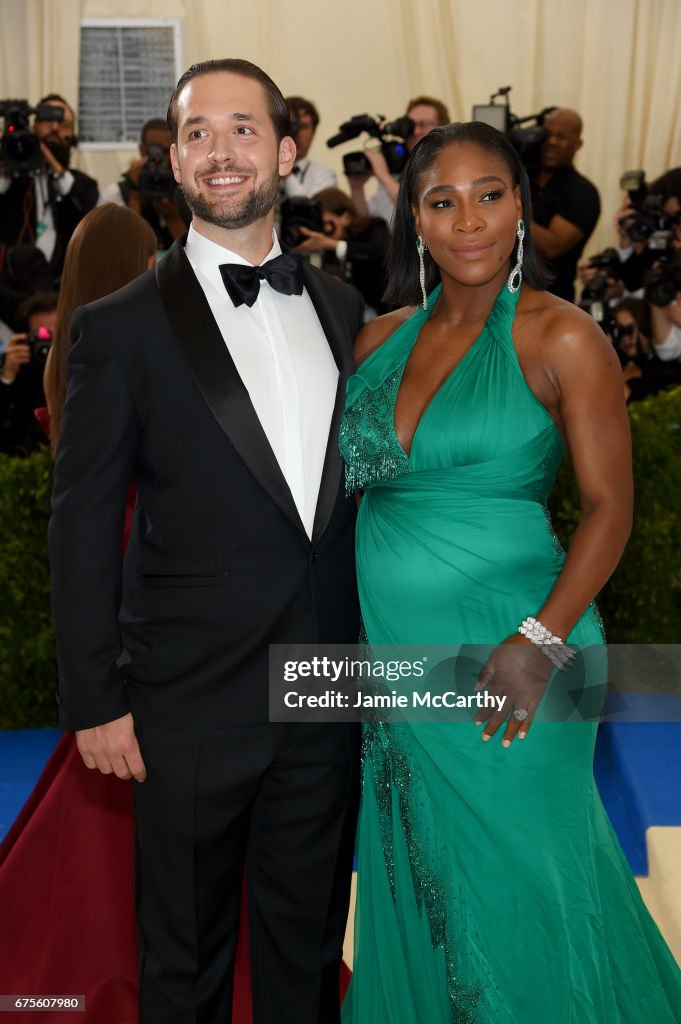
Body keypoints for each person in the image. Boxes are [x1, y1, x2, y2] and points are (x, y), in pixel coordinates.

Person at [339, 121, 681, 1022]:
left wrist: (539, 638)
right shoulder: (374, 344)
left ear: (521, 206)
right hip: (400, 668)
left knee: (532, 884)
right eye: (442, 201)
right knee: (425, 885)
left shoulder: (561, 337)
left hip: (526, 647)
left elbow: (609, 508)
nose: (468, 220)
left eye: (489, 195)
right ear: (414, 218)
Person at [49, 58, 363, 1024]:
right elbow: (83, 520)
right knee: (181, 966)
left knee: (306, 955)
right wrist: (94, 696)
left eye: (241, 128)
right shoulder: (119, 328)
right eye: (197, 133)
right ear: (174, 160)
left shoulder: (345, 311)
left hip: (327, 689)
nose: (220, 151)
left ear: (286, 148)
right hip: (184, 703)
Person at [0, 94, 98, 280]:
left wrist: (54, 165)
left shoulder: (83, 185)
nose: (54, 128)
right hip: (9, 287)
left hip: (60, 286)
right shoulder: (9, 180)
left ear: (72, 137)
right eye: (47, 122)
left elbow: (88, 221)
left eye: (63, 124)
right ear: (33, 128)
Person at [529, 108, 600, 301]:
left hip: (552, 300)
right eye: (548, 134)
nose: (552, 142)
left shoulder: (582, 192)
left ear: (578, 144)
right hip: (502, 297)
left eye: (561, 137)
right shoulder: (521, 177)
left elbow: (551, 247)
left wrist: (509, 210)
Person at [348, 95, 450, 224]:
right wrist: (357, 189)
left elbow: (419, 213)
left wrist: (383, 175)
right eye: (411, 125)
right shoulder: (398, 171)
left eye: (423, 124)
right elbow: (367, 224)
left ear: (443, 128)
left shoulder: (450, 167)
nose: (416, 131)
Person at [98, 118, 191, 251]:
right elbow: (113, 255)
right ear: (142, 150)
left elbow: (196, 261)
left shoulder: (187, 195)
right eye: (154, 151)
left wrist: (172, 217)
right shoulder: (115, 195)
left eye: (165, 152)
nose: (159, 159)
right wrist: (135, 194)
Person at [293, 187, 389, 315]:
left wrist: (332, 245)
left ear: (346, 217)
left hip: (390, 310)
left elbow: (378, 251)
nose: (325, 229)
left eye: (328, 223)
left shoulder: (374, 226)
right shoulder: (327, 249)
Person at [0, 290, 57, 455]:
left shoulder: (80, 366)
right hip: (22, 456)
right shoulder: (17, 364)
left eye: (53, 335)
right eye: (40, 336)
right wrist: (7, 376)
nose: (46, 346)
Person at [282, 95, 338, 198]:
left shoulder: (325, 176)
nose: (297, 133)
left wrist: (286, 172)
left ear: (313, 132)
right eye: (291, 125)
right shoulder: (261, 169)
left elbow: (311, 212)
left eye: (303, 126)